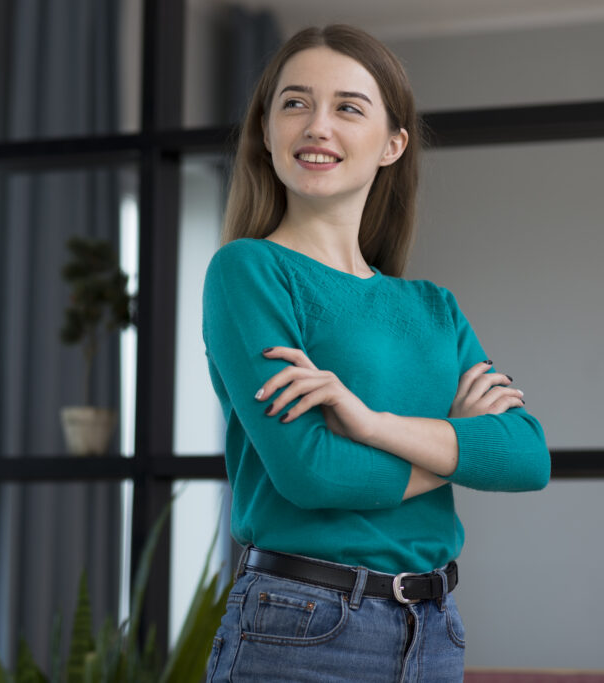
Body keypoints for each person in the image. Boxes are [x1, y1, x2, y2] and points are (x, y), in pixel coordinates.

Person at [201, 24, 550, 681]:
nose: (317, 125)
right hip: (300, 627)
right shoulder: (247, 272)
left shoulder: (432, 306)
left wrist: (371, 425)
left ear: (393, 143)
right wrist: (462, 446)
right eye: (295, 103)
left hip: (435, 627)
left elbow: (527, 455)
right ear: (266, 130)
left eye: (348, 107)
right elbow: (313, 475)